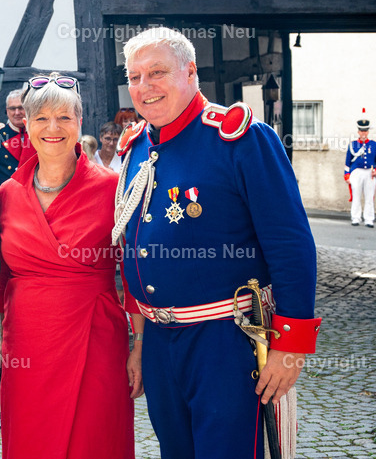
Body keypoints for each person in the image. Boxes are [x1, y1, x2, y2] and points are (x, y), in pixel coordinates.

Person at [114, 27, 321, 459]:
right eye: (134, 77)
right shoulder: (135, 147)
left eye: (157, 73)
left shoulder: (240, 138)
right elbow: (133, 251)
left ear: (191, 72)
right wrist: (140, 343)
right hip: (159, 341)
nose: (144, 87)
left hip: (225, 341)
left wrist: (290, 345)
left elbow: (290, 243)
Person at [0, 73, 137, 459]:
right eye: (41, 118)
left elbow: (137, 274)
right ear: (27, 124)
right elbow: (2, 278)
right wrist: (2, 346)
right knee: (30, 440)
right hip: (25, 339)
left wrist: (141, 347)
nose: (52, 128)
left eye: (64, 118)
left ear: (79, 124)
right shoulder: (7, 193)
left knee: (93, 438)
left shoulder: (113, 188)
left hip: (95, 337)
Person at [0, 88, 33, 185]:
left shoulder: (38, 134)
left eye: (21, 108)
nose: (17, 113)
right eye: (12, 108)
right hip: (5, 194)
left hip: (33, 193)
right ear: (7, 111)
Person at [344, 110, 375, 227]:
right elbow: (347, 161)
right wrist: (346, 174)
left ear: (368, 132)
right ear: (358, 131)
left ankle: (369, 219)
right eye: (361, 131)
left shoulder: (373, 144)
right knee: (356, 196)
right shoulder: (353, 145)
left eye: (365, 131)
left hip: (369, 173)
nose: (363, 133)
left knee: (369, 197)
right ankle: (356, 218)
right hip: (356, 173)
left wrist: (375, 170)